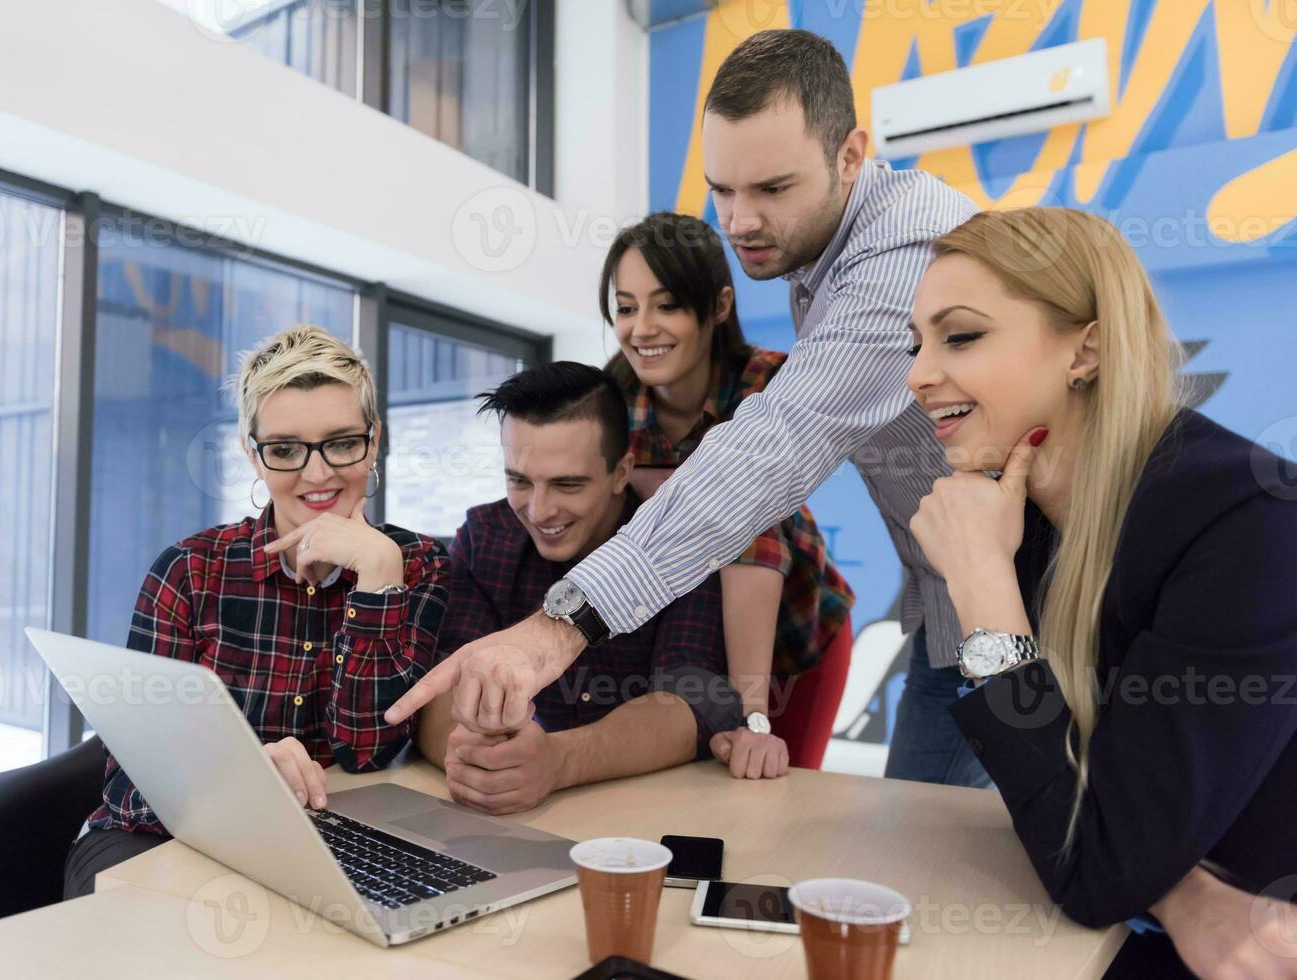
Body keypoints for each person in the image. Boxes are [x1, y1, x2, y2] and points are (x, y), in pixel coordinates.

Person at [388, 29, 988, 789]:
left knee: (1035, 863)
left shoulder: (891, 261)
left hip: (1007, 615)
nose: (738, 221)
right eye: (722, 190)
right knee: (933, 845)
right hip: (951, 613)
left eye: (771, 189)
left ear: (849, 157)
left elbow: (766, 469)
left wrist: (567, 629)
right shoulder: (623, 391)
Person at [904, 207, 1297, 976]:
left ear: (1084, 349)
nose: (917, 372)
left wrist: (981, 586)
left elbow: (1093, 868)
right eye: (913, 342)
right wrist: (1175, 891)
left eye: (959, 336)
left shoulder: (1248, 524)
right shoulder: (1025, 517)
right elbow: (1075, 813)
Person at [63, 325, 449, 898]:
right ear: (252, 453)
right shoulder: (191, 570)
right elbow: (132, 780)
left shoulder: (417, 565)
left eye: (342, 442)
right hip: (160, 841)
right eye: (286, 450)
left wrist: (378, 583)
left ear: (374, 441)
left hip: (328, 840)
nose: (318, 474)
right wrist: (239, 781)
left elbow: (370, 753)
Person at [416, 362, 739, 813]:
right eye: (519, 480)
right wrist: (469, 758)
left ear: (621, 472)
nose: (540, 510)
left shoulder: (677, 544)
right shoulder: (484, 536)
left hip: (646, 813)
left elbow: (695, 699)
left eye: (568, 484)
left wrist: (559, 762)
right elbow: (446, 673)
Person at [601, 211, 854, 777]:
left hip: (796, 636)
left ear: (717, 306)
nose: (641, 328)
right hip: (685, 649)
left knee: (770, 788)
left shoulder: (768, 385)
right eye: (625, 307)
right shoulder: (609, 404)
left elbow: (747, 541)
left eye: (666, 305)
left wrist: (752, 717)